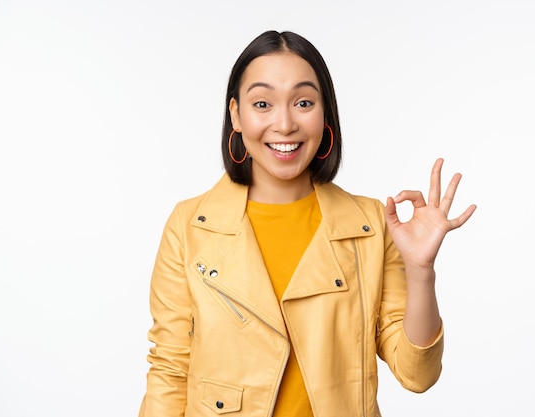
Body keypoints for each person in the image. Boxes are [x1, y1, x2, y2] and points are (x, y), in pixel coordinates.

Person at [139, 30, 476, 417]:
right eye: (262, 103)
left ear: (325, 112)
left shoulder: (370, 225)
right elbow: (169, 368)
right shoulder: (190, 225)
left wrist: (420, 271)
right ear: (235, 113)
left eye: (303, 102)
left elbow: (418, 374)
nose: (284, 124)